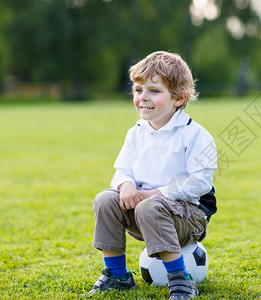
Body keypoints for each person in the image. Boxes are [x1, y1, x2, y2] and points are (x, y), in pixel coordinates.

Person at [88, 51, 217, 300]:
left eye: (154, 91)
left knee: (151, 206)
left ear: (178, 98)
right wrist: (125, 185)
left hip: (187, 218)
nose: (143, 98)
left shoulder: (195, 135)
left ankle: (181, 280)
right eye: (138, 90)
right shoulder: (136, 133)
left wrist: (152, 195)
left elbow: (199, 183)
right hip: (143, 213)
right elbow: (123, 169)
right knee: (105, 199)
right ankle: (117, 275)